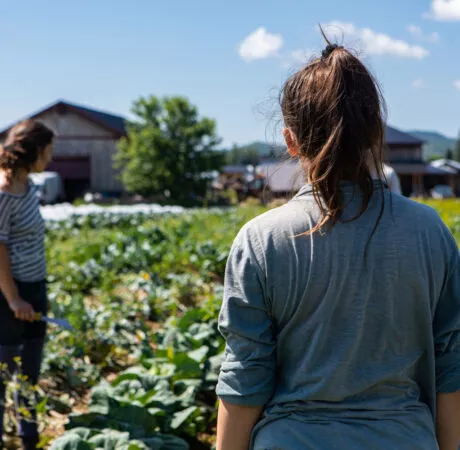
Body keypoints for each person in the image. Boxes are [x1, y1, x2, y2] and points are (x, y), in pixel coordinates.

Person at [215, 38, 460, 450]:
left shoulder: (260, 240)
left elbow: (245, 377)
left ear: (291, 141)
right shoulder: (430, 231)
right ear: (376, 132)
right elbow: (451, 368)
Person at [0, 120, 54, 449]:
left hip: (34, 289)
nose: (50, 158)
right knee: (5, 370)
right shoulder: (3, 192)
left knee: (29, 373)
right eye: (47, 151)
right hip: (10, 295)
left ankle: (29, 438)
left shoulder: (29, 186)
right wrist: (14, 299)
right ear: (33, 150)